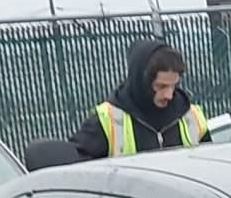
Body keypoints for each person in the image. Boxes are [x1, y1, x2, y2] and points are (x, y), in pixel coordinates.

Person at [73, 39, 213, 158]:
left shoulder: (191, 116)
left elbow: (209, 166)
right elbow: (77, 172)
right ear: (141, 81)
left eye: (173, 86)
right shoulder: (108, 119)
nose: (168, 95)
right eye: (161, 87)